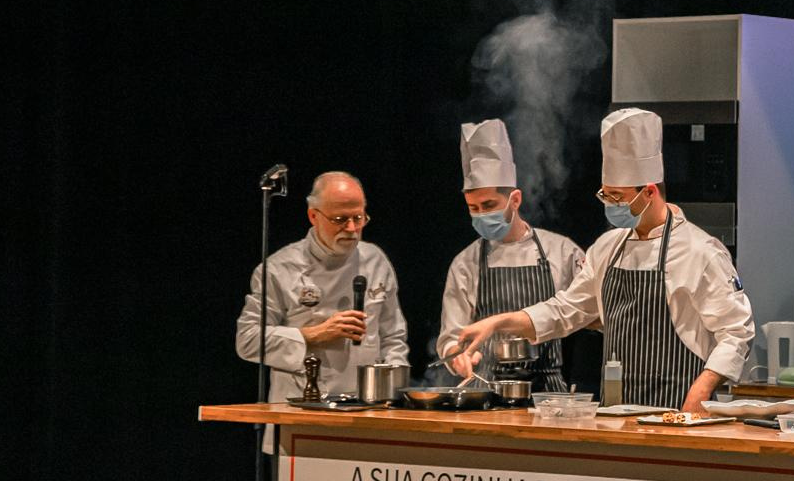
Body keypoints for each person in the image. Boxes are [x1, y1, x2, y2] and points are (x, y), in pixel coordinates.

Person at [447, 109, 754, 414]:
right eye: (605, 195)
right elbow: (566, 310)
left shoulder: (701, 252)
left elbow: (737, 332)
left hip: (679, 411)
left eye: (617, 197)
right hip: (617, 412)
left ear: (648, 192)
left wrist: (702, 389)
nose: (610, 205)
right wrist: (497, 322)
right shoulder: (608, 247)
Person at [235, 170, 408, 401]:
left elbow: (393, 337)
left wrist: (394, 395)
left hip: (366, 407)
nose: (351, 228)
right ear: (313, 216)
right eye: (339, 220)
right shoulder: (279, 268)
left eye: (358, 218)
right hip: (299, 406)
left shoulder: (375, 260)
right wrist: (314, 334)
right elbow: (248, 339)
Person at [439, 119, 586, 390]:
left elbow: (587, 311)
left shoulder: (561, 251)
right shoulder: (466, 263)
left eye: (489, 205)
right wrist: (457, 357)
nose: (482, 214)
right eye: (473, 208)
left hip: (547, 394)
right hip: (485, 390)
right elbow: (451, 337)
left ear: (515, 200)